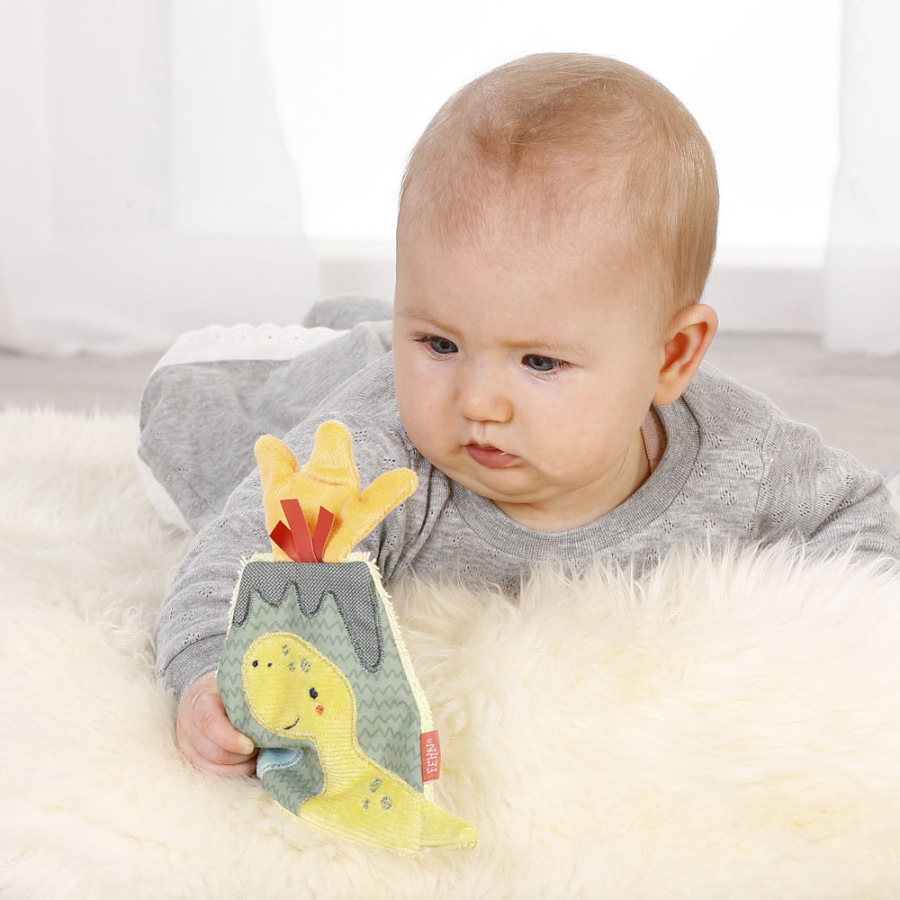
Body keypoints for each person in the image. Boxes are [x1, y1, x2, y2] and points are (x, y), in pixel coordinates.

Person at [153, 53, 900, 776]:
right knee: (209, 436)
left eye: (540, 362)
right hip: (303, 390)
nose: (478, 403)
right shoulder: (376, 457)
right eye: (439, 341)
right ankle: (338, 344)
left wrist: (832, 652)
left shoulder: (740, 453)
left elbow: (861, 522)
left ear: (671, 357)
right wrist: (212, 676)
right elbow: (237, 568)